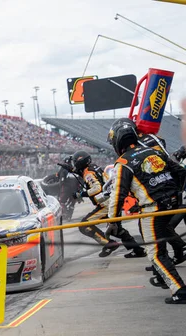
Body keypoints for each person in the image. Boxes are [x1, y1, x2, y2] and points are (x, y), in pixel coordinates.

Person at [106, 118, 186, 304]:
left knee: (156, 253)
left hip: (153, 209)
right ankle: (163, 275)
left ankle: (179, 290)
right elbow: (181, 172)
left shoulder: (123, 162)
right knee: (160, 236)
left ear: (117, 141)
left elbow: (117, 196)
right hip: (172, 204)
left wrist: (113, 222)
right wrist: (177, 193)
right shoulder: (154, 152)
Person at [72, 150, 146, 258]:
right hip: (112, 201)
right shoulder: (95, 167)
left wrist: (81, 194)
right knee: (116, 230)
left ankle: (108, 244)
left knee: (84, 225)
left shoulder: (88, 173)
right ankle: (138, 250)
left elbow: (97, 188)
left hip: (106, 205)